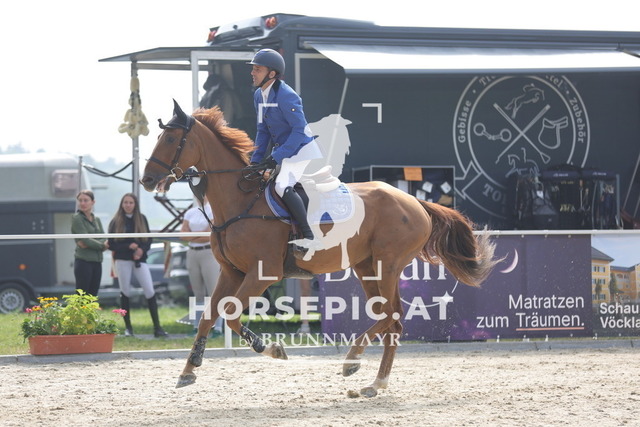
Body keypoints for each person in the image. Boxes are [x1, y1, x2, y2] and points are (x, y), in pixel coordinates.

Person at [248, 48, 323, 248]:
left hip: (302, 150)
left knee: (282, 185)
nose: (252, 73)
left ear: (272, 74)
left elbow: (299, 130)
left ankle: (309, 236)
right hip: (285, 151)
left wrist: (277, 156)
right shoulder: (258, 95)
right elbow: (262, 130)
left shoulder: (286, 95)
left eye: (257, 69)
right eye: (253, 69)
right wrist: (255, 161)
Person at [108, 193, 168, 338]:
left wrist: (141, 250)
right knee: (125, 292)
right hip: (123, 260)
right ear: (122, 204)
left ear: (135, 204)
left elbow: (148, 239)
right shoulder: (115, 221)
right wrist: (128, 246)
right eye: (126, 202)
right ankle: (128, 328)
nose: (128, 205)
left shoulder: (141, 218)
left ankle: (157, 328)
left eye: (131, 202)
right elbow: (111, 244)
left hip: (140, 260)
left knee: (149, 290)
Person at [180, 196, 223, 336]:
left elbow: (210, 234)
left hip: (208, 252)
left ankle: (218, 327)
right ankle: (197, 326)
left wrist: (191, 236)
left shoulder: (213, 211)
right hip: (192, 252)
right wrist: (198, 236)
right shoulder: (190, 212)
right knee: (197, 293)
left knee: (214, 292)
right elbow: (183, 234)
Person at [71, 190, 109, 296]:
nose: (82, 203)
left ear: (93, 202)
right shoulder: (76, 218)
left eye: (86, 200)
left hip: (97, 262)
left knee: (93, 296)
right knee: (82, 297)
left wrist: (92, 243)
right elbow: (86, 239)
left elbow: (103, 237)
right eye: (80, 200)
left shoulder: (97, 219)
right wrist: (102, 246)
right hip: (84, 262)